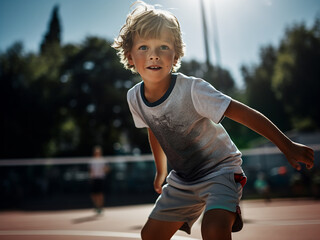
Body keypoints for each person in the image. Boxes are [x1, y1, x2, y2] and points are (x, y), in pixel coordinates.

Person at [112, 2, 314, 239]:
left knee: (213, 230)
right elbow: (155, 128)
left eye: (163, 46)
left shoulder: (193, 90)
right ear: (129, 55)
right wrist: (160, 170)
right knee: (150, 236)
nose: (154, 54)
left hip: (220, 170)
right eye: (144, 47)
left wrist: (286, 145)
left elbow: (244, 113)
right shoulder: (134, 97)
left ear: (175, 54)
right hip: (183, 179)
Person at [89, 145, 110, 215]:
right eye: (96, 152)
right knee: (93, 194)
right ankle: (97, 206)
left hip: (100, 179)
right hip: (95, 179)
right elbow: (91, 171)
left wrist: (105, 169)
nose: (97, 153)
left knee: (100, 194)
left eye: (98, 152)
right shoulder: (92, 161)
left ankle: (100, 207)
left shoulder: (103, 161)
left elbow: (107, 169)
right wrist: (91, 178)